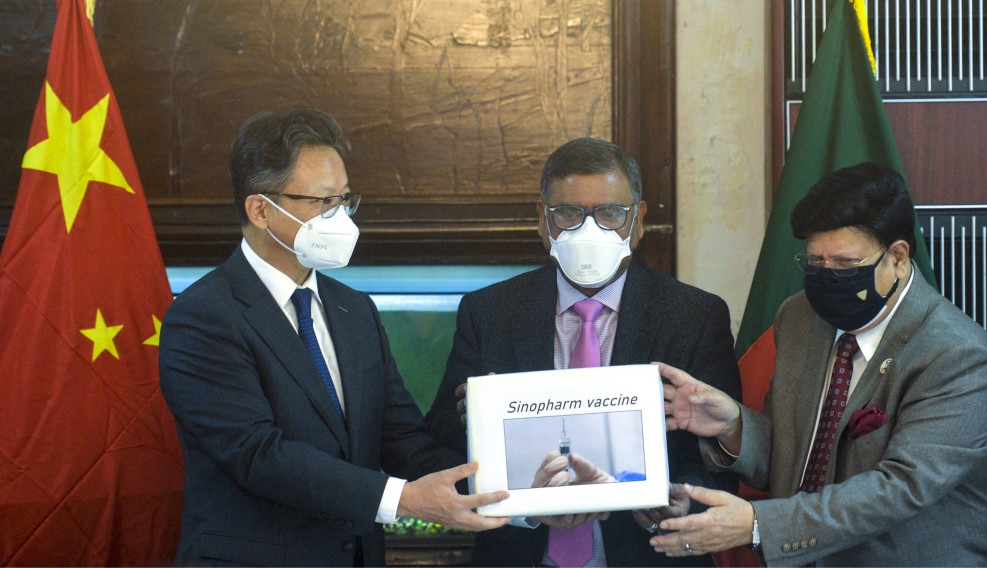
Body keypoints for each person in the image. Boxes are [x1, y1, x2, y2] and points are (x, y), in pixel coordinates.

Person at [159, 108, 508, 567]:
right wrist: (402, 499)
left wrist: (506, 491)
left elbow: (402, 438)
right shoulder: (202, 317)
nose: (340, 217)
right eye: (322, 202)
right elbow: (258, 455)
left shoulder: (354, 309)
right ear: (261, 209)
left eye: (345, 200)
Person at [652, 162, 987, 566]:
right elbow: (802, 458)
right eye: (816, 263)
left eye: (844, 265)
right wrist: (733, 426)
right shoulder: (800, 318)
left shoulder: (958, 356)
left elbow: (899, 488)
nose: (827, 277)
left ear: (898, 257)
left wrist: (756, 525)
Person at [426, 137, 741, 567]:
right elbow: (443, 449)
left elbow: (719, 460)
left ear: (639, 220)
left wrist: (678, 502)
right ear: (542, 219)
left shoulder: (694, 315)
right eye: (569, 214)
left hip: (647, 556)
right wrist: (515, 500)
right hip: (522, 555)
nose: (588, 229)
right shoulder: (489, 312)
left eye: (611, 213)